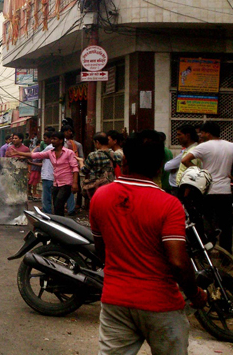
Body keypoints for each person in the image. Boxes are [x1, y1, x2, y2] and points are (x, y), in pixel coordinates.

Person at [90, 130, 208, 354]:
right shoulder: (169, 205)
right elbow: (178, 263)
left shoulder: (100, 197)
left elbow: (101, 251)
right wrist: (195, 294)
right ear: (159, 167)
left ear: (124, 160)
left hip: (115, 299)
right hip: (160, 303)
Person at [182, 122, 233, 254]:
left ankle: (206, 251)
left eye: (202, 132)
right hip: (225, 191)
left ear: (208, 133)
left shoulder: (203, 147)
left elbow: (184, 160)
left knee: (206, 223)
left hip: (207, 191)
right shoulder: (232, 146)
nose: (201, 135)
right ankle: (226, 254)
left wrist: (199, 173)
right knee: (226, 225)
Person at [12, 132, 79, 216]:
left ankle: (61, 223)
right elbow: (36, 155)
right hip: (56, 183)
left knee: (59, 203)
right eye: (52, 139)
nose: (52, 141)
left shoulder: (69, 153)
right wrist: (19, 153)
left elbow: (75, 168)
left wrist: (75, 183)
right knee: (56, 205)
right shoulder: (50, 152)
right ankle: (59, 223)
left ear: (61, 141)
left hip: (67, 183)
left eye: (55, 139)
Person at [164, 125, 200, 196]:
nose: (177, 137)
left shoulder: (193, 151)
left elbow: (192, 174)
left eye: (179, 135)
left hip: (187, 189)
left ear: (187, 135)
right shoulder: (187, 150)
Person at [80, 133, 118, 200]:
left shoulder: (93, 155)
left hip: (96, 187)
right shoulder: (114, 154)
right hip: (110, 185)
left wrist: (81, 163)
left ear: (97, 142)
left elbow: (85, 171)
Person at [38, 132, 55, 213]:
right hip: (52, 175)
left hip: (48, 175)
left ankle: (47, 214)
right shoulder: (57, 149)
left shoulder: (49, 148)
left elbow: (38, 155)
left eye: (45, 138)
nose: (44, 140)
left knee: (46, 197)